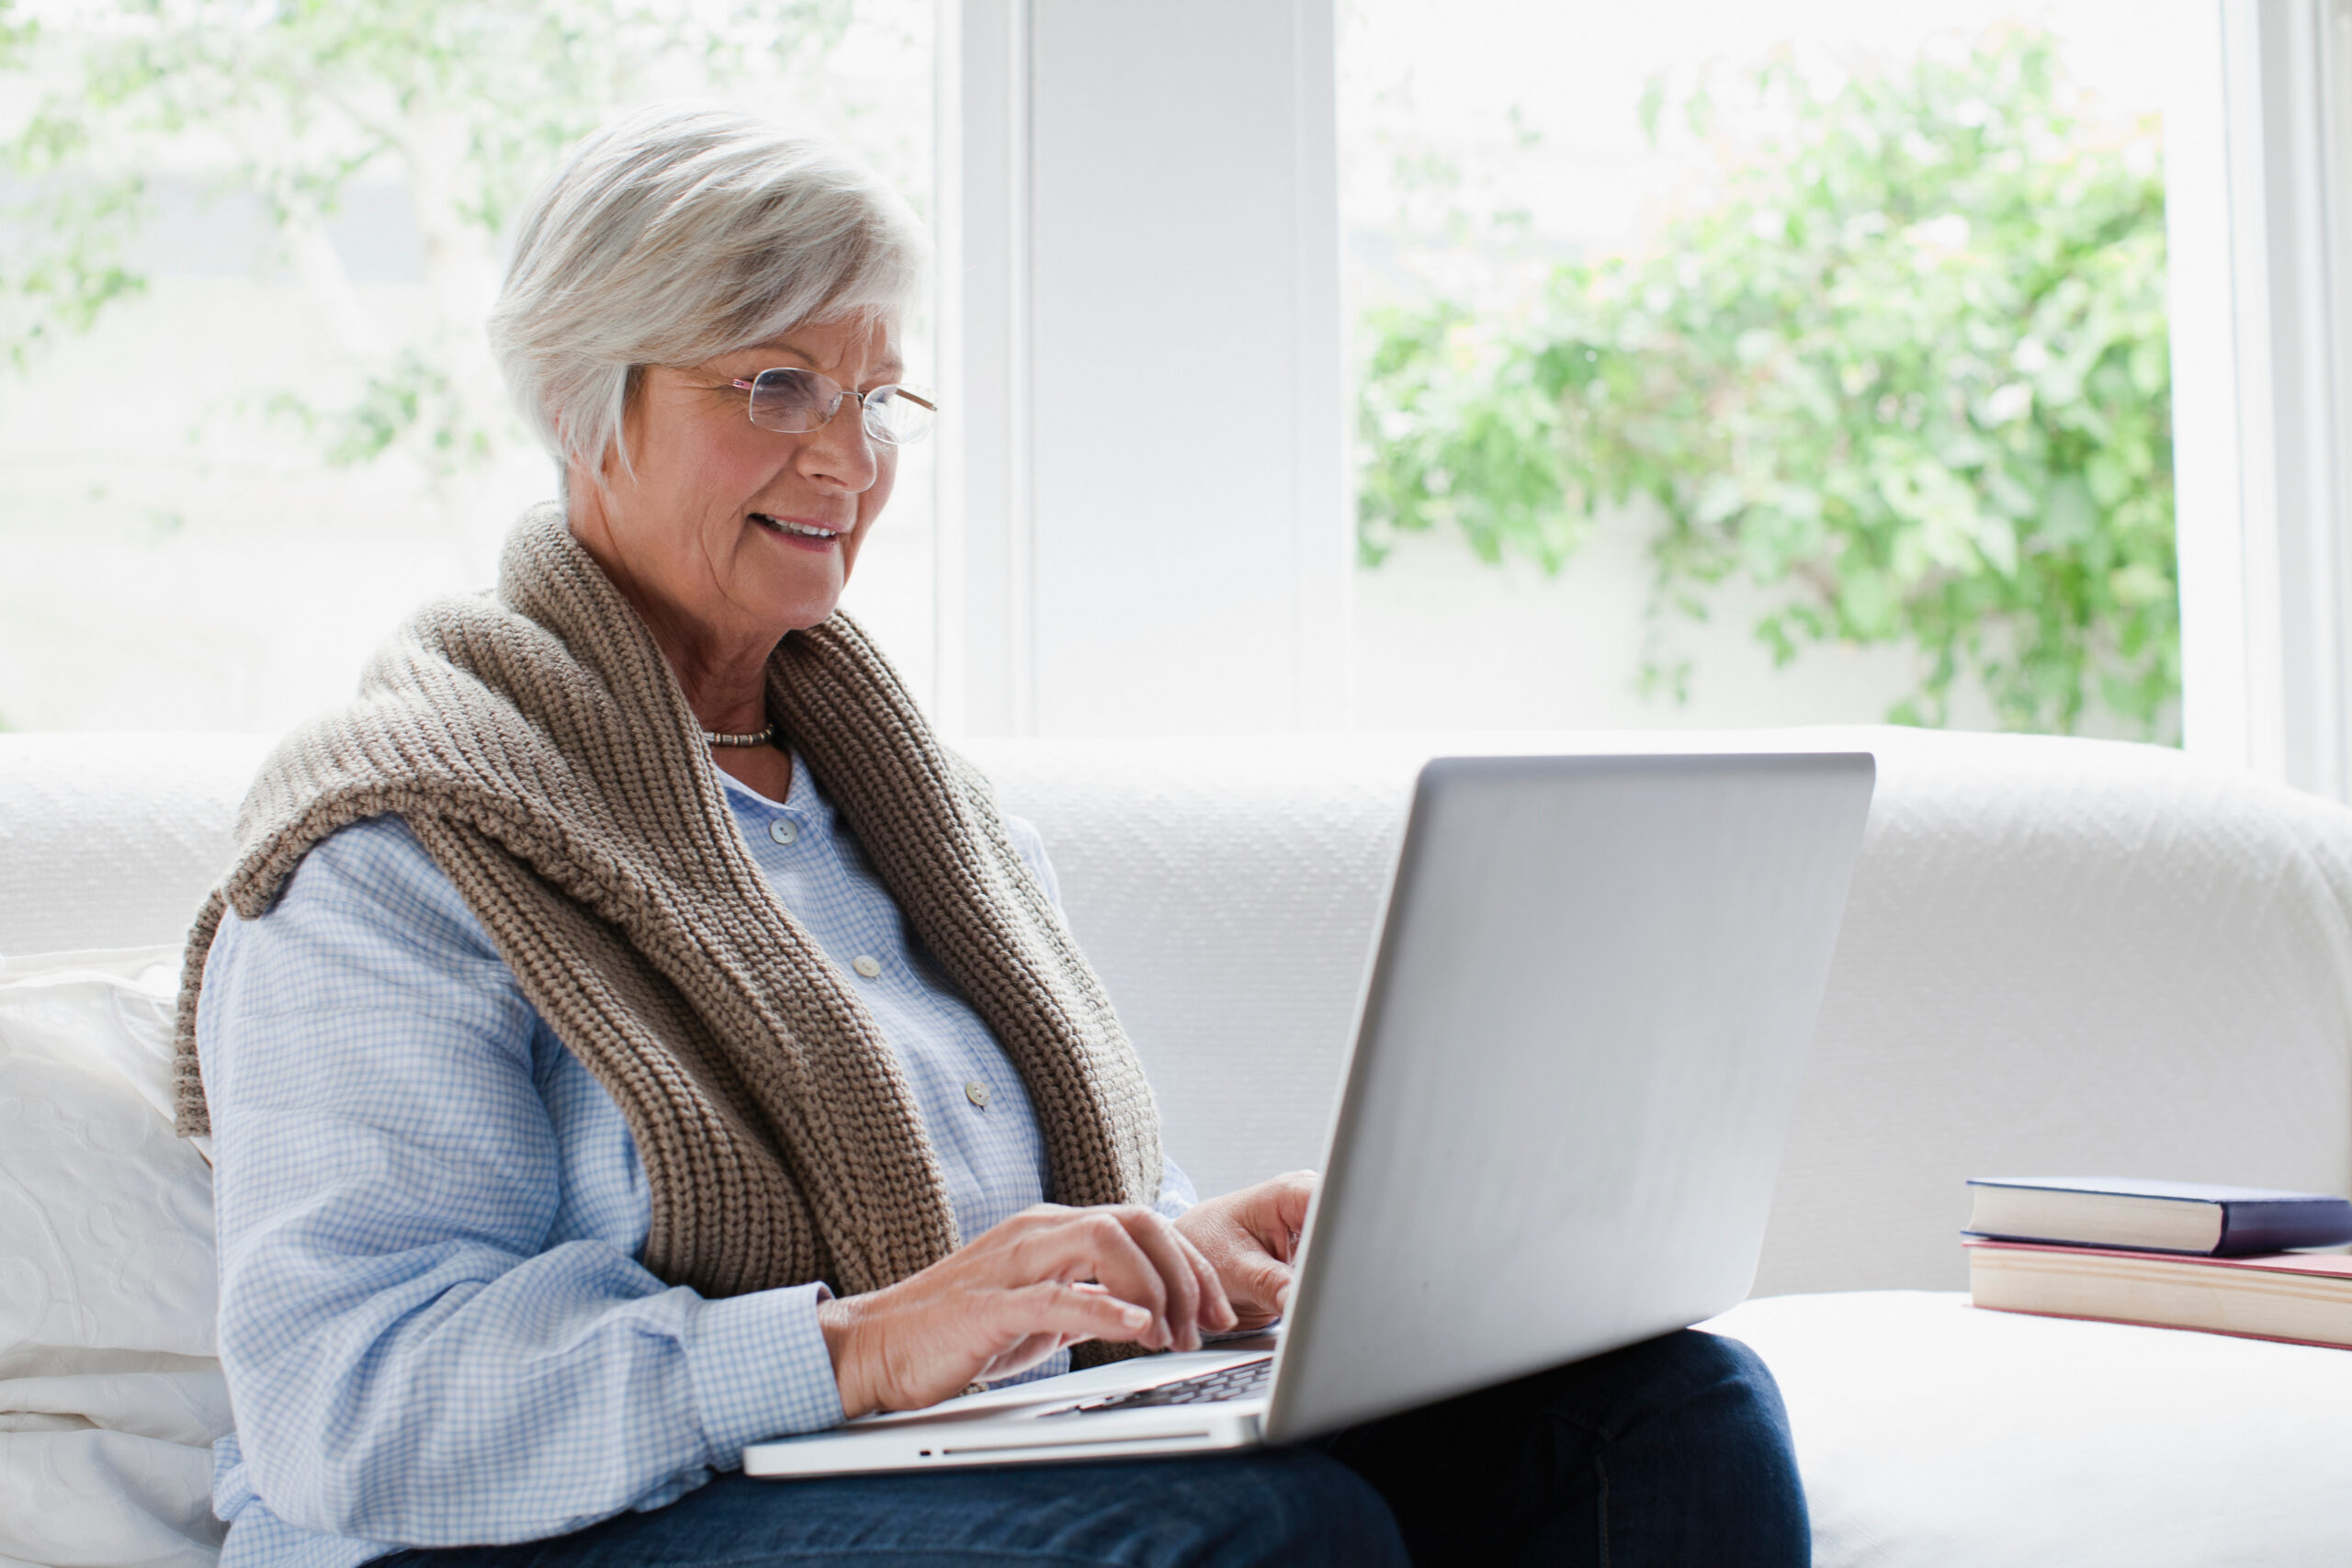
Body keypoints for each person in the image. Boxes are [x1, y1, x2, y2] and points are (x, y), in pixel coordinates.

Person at [180, 103, 1809, 1568]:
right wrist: (855, 1347)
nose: (847, 459)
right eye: (776, 386)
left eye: (877, 395)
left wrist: (1186, 1252)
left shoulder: (918, 812)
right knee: (1259, 1536)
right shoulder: (397, 845)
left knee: (1664, 1409)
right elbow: (353, 1408)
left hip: (927, 1460)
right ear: (583, 398)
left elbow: (1001, 1254)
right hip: (561, 1527)